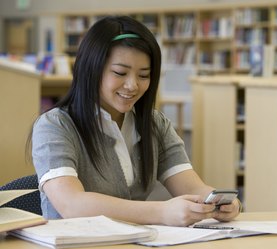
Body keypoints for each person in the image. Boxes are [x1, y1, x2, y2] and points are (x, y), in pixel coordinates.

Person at [28, 16, 241, 226]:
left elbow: (192, 187)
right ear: (91, 70)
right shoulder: (54, 125)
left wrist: (219, 202)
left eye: (144, 75)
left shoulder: (154, 124)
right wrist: (162, 212)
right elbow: (72, 205)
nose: (132, 85)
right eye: (120, 73)